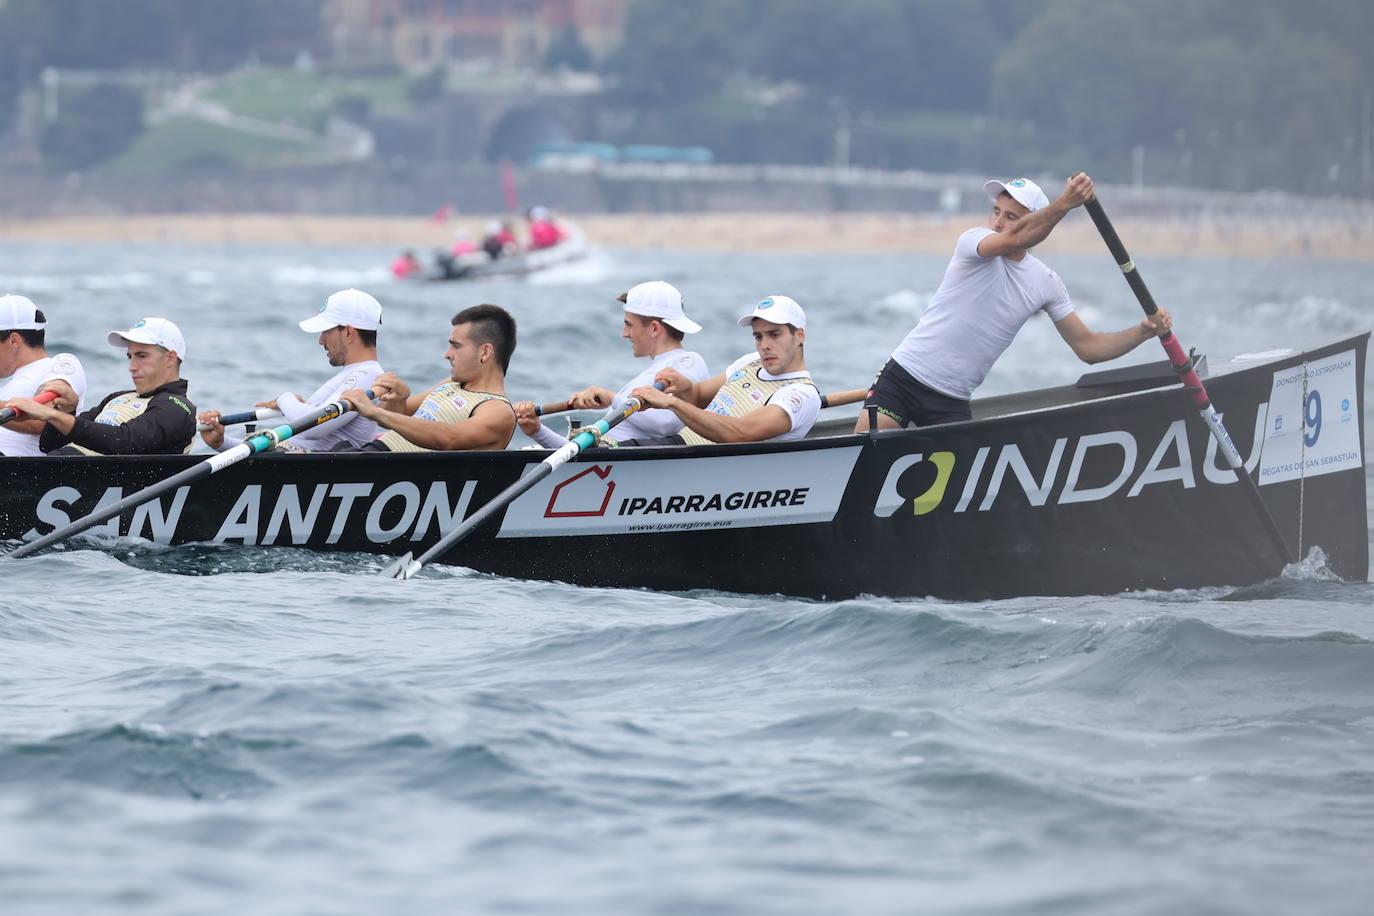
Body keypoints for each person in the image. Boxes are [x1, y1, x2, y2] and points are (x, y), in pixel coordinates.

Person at [856, 173, 1173, 431]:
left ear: (1036, 223)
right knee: (866, 457)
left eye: (1011, 217)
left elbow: (1089, 348)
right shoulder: (973, 243)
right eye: (996, 211)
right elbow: (1016, 238)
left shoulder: (1046, 283)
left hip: (950, 403)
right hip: (903, 378)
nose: (997, 222)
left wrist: (1143, 331)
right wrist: (1065, 203)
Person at [514, 281, 710, 449]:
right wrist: (537, 430)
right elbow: (580, 454)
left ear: (654, 328)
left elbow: (666, 424)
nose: (624, 333)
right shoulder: (650, 373)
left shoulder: (688, 361)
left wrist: (612, 398)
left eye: (629, 324)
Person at [198, 288, 386, 454]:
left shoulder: (365, 376)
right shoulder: (354, 375)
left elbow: (313, 426)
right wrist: (221, 443)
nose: (320, 340)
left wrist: (284, 399)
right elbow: (297, 436)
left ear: (348, 332)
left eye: (326, 331)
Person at [632, 295, 820, 445]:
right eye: (758, 336)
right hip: (674, 446)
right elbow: (697, 397)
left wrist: (670, 403)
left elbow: (739, 433)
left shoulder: (802, 395)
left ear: (799, 336)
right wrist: (683, 387)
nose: (764, 345)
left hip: (701, 464)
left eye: (774, 334)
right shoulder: (751, 361)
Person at [341, 303, 516, 452]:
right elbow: (396, 416)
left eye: (456, 346)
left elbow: (448, 438)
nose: (447, 355)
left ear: (485, 352)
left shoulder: (497, 411)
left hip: (391, 470)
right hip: (370, 453)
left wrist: (374, 412)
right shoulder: (453, 383)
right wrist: (399, 398)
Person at [21, 317, 196, 456]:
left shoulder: (178, 407)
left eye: (141, 356)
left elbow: (124, 442)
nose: (132, 366)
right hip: (53, 473)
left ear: (170, 358)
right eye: (130, 357)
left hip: (88, 484)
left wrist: (50, 414)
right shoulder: (117, 397)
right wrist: (65, 410)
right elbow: (49, 444)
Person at [0, 295, 88, 457]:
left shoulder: (62, 364)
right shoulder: (8, 386)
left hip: (18, 473)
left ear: (13, 341)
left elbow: (44, 418)